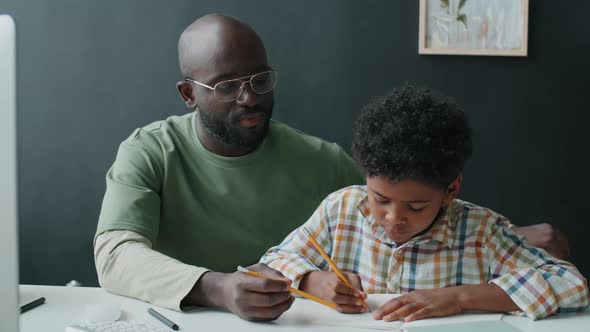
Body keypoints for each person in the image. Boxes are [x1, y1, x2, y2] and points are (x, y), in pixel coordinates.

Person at [94, 14, 570, 321]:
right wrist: (219, 288)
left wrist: (511, 239)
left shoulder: (323, 162)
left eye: (260, 79)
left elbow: (405, 208)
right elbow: (115, 254)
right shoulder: (149, 152)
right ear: (188, 94)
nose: (250, 97)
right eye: (226, 86)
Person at [260, 84, 588, 321]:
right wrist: (313, 281)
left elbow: (571, 285)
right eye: (380, 199)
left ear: (451, 190)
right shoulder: (341, 210)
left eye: (416, 207)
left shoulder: (481, 233)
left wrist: (459, 297)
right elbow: (274, 261)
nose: (393, 218)